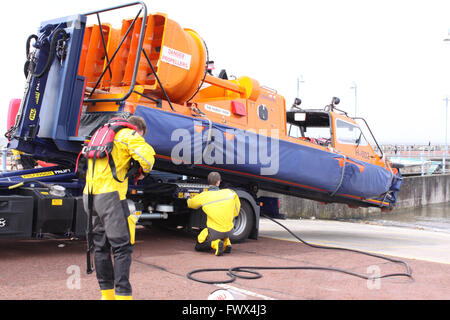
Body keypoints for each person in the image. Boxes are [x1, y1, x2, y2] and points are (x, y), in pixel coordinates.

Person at [83, 115, 155, 300]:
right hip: (111, 197)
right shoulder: (128, 134)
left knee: (100, 246)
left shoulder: (100, 133)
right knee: (123, 247)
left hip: (90, 196)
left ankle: (107, 296)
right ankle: (123, 296)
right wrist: (142, 171)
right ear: (139, 129)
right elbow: (147, 157)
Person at [185, 172, 240, 256]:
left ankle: (216, 244)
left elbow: (191, 204)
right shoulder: (230, 193)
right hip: (230, 231)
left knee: (199, 245)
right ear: (218, 182)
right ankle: (227, 243)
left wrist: (188, 196)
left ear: (208, 182)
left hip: (215, 232)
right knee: (222, 231)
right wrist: (232, 216)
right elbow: (236, 210)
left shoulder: (204, 196)